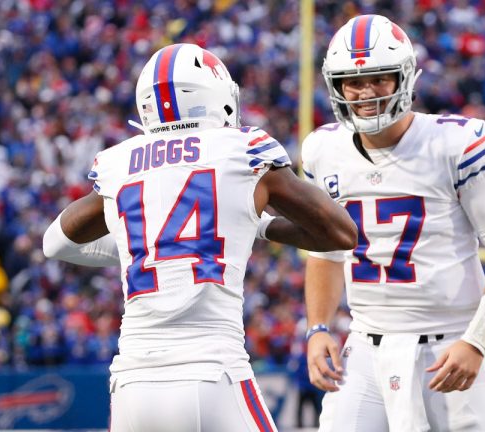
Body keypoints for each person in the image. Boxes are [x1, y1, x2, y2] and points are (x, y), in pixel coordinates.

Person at [42, 43, 357, 432]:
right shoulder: (242, 150)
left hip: (131, 383)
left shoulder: (118, 162)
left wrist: (140, 249)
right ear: (217, 97)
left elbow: (54, 243)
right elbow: (342, 234)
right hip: (211, 373)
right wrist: (258, 226)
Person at [300, 15, 485, 431]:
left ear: (403, 77)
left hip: (450, 343)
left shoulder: (454, 144)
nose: (365, 92)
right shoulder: (323, 150)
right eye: (353, 81)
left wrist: (478, 341)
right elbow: (324, 253)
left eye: (379, 78)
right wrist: (318, 327)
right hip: (366, 347)